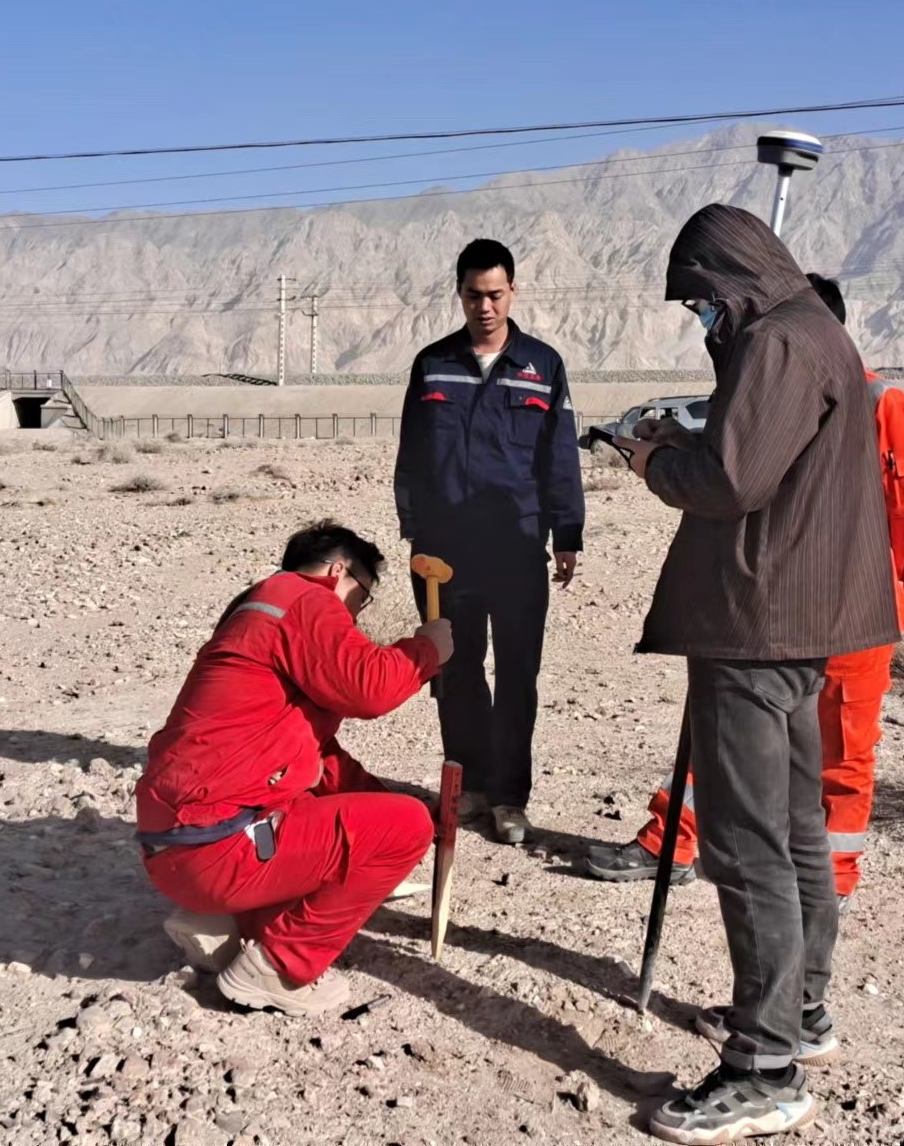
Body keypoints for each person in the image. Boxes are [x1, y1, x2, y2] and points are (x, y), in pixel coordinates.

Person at [614, 209, 899, 1144]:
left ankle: (765, 1068)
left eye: (699, 303)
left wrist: (654, 458)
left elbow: (731, 482)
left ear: (726, 281)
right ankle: (800, 1011)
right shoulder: (817, 331)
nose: (700, 319)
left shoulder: (777, 342)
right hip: (800, 624)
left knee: (745, 846)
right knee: (795, 825)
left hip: (754, 625)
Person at [581, 274, 904, 920]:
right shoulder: (760, 396)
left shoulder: (882, 403)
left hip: (855, 614)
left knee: (843, 749)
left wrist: (885, 586)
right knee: (720, 725)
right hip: (771, 606)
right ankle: (672, 841)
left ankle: (828, 887)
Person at [133, 521, 455, 1016]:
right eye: (361, 597)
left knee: (341, 810)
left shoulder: (254, 609)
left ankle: (225, 923)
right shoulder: (305, 599)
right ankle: (277, 969)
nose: (355, 615)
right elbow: (369, 689)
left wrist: (383, 802)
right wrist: (427, 650)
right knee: (405, 827)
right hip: (218, 846)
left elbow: (318, 755)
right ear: (338, 570)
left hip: (174, 847)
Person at [393, 238, 584, 845]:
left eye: (496, 294)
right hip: (445, 553)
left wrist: (567, 532)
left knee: (518, 675)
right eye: (474, 295)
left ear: (513, 293)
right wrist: (413, 531)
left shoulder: (542, 366)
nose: (485, 307)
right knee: (455, 671)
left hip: (517, 548)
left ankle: (508, 798)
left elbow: (559, 456)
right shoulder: (433, 364)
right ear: (459, 294)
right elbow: (411, 454)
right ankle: (469, 785)